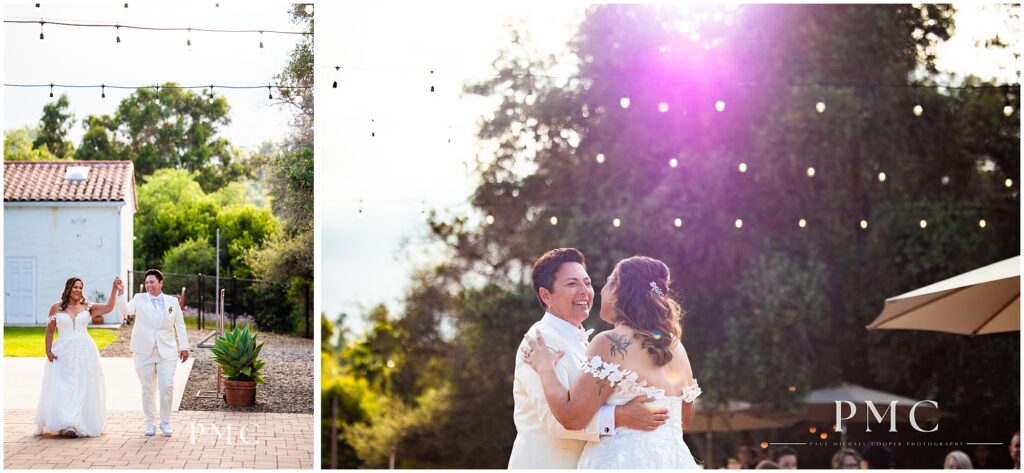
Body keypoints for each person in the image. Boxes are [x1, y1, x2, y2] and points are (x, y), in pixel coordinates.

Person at [522, 255, 702, 468]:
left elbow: (571, 417)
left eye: (607, 282)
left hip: (623, 461)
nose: (598, 291)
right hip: (675, 462)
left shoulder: (609, 343)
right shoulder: (675, 347)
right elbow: (684, 419)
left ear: (618, 292)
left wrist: (545, 368)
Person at [33, 276, 122, 437]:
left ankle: (77, 423)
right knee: (63, 387)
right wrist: (48, 350)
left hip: (85, 352)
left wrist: (114, 289)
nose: (78, 290)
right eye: (75, 287)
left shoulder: (87, 307)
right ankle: (65, 423)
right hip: (63, 352)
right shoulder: (56, 308)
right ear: (68, 289)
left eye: (80, 287)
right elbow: (50, 330)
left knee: (82, 385)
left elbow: (109, 307)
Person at [116, 269, 189, 437]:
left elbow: (180, 325)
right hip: (143, 351)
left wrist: (184, 347)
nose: (149, 285)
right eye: (147, 282)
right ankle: (150, 423)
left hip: (167, 351)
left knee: (166, 386)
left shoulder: (172, 301)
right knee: (147, 388)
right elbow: (125, 310)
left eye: (152, 282)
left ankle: (165, 422)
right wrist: (121, 293)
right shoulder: (138, 298)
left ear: (161, 283)